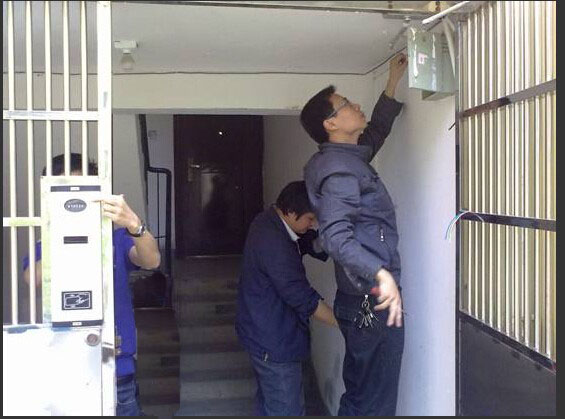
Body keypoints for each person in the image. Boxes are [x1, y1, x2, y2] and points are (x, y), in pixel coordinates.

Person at [300, 53, 408, 416]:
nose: (355, 105)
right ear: (331, 123)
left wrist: (391, 83)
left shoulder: (344, 159)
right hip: (370, 298)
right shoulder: (340, 170)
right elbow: (336, 236)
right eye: (346, 104)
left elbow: (374, 135)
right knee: (375, 402)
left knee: (361, 394)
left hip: (359, 297)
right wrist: (381, 274)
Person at [23, 153, 161, 416]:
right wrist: (66, 231)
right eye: (63, 191)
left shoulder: (115, 237)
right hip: (67, 368)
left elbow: (151, 260)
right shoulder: (47, 242)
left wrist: (134, 224)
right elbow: (32, 279)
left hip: (116, 369)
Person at [235, 181, 338, 416]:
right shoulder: (274, 243)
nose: (313, 224)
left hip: (260, 333)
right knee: (286, 410)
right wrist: (342, 323)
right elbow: (302, 297)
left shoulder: (268, 221)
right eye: (310, 219)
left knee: (270, 405)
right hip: (274, 343)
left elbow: (307, 242)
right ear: (291, 212)